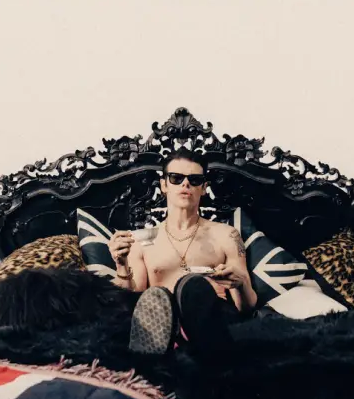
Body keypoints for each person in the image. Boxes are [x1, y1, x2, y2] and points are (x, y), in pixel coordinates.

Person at [108, 150, 257, 358]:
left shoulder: (227, 235)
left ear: (204, 188)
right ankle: (181, 346)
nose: (185, 184)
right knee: (157, 296)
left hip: (214, 317)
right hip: (164, 321)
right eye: (176, 178)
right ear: (164, 185)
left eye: (194, 180)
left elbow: (247, 306)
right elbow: (129, 300)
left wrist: (239, 284)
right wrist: (121, 264)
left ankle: (184, 348)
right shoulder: (141, 240)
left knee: (193, 286)